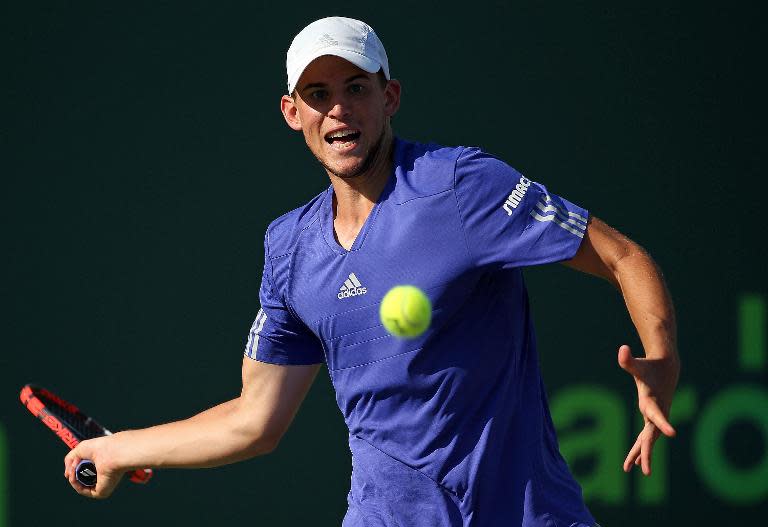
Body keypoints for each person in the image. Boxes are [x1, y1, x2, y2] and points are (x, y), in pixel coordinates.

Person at [65, 16, 680, 527]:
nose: (339, 109)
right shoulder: (289, 248)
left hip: (526, 513)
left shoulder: (462, 186)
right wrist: (120, 448)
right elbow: (255, 421)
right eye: (318, 95)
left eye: (356, 87)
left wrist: (662, 354)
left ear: (389, 98)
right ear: (292, 112)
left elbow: (622, 256)